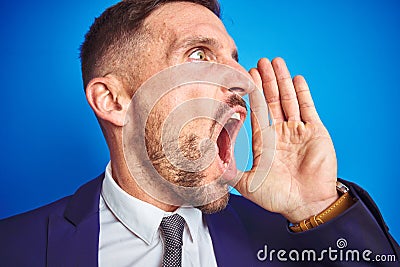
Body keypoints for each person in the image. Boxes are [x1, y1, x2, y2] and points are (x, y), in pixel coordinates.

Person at [0, 0, 399, 266]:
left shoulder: (300, 238)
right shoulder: (15, 247)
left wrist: (316, 206)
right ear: (113, 100)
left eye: (234, 60)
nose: (243, 81)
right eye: (199, 55)